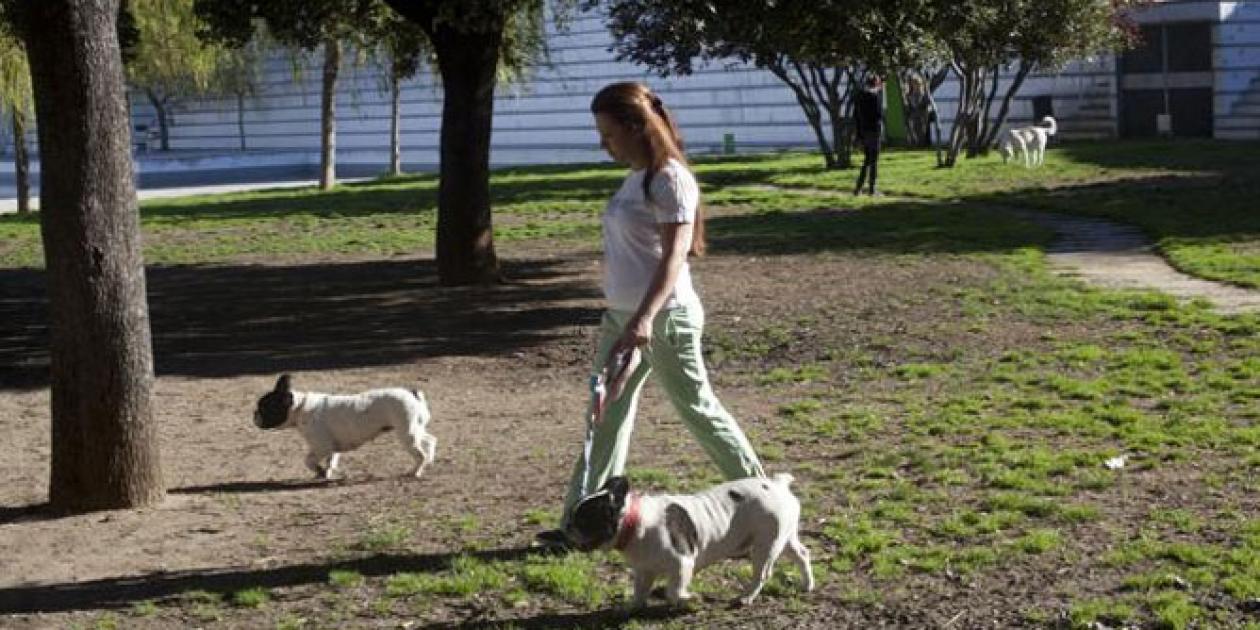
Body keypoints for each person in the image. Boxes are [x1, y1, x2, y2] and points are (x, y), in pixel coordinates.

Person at [535, 82, 766, 548]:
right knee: (603, 420)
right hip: (621, 319)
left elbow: (674, 257)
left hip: (664, 320)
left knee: (698, 410)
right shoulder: (635, 177)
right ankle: (583, 528)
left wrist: (643, 320)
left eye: (609, 133)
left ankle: (762, 501)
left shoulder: (670, 178)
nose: (604, 143)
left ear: (636, 126)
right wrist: (626, 318)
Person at [853, 74, 884, 196]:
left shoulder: (860, 97)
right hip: (874, 131)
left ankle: (859, 187)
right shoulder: (874, 97)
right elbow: (879, 115)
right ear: (876, 83)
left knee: (867, 160)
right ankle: (872, 188)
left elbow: (856, 116)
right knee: (874, 160)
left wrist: (859, 134)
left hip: (864, 131)